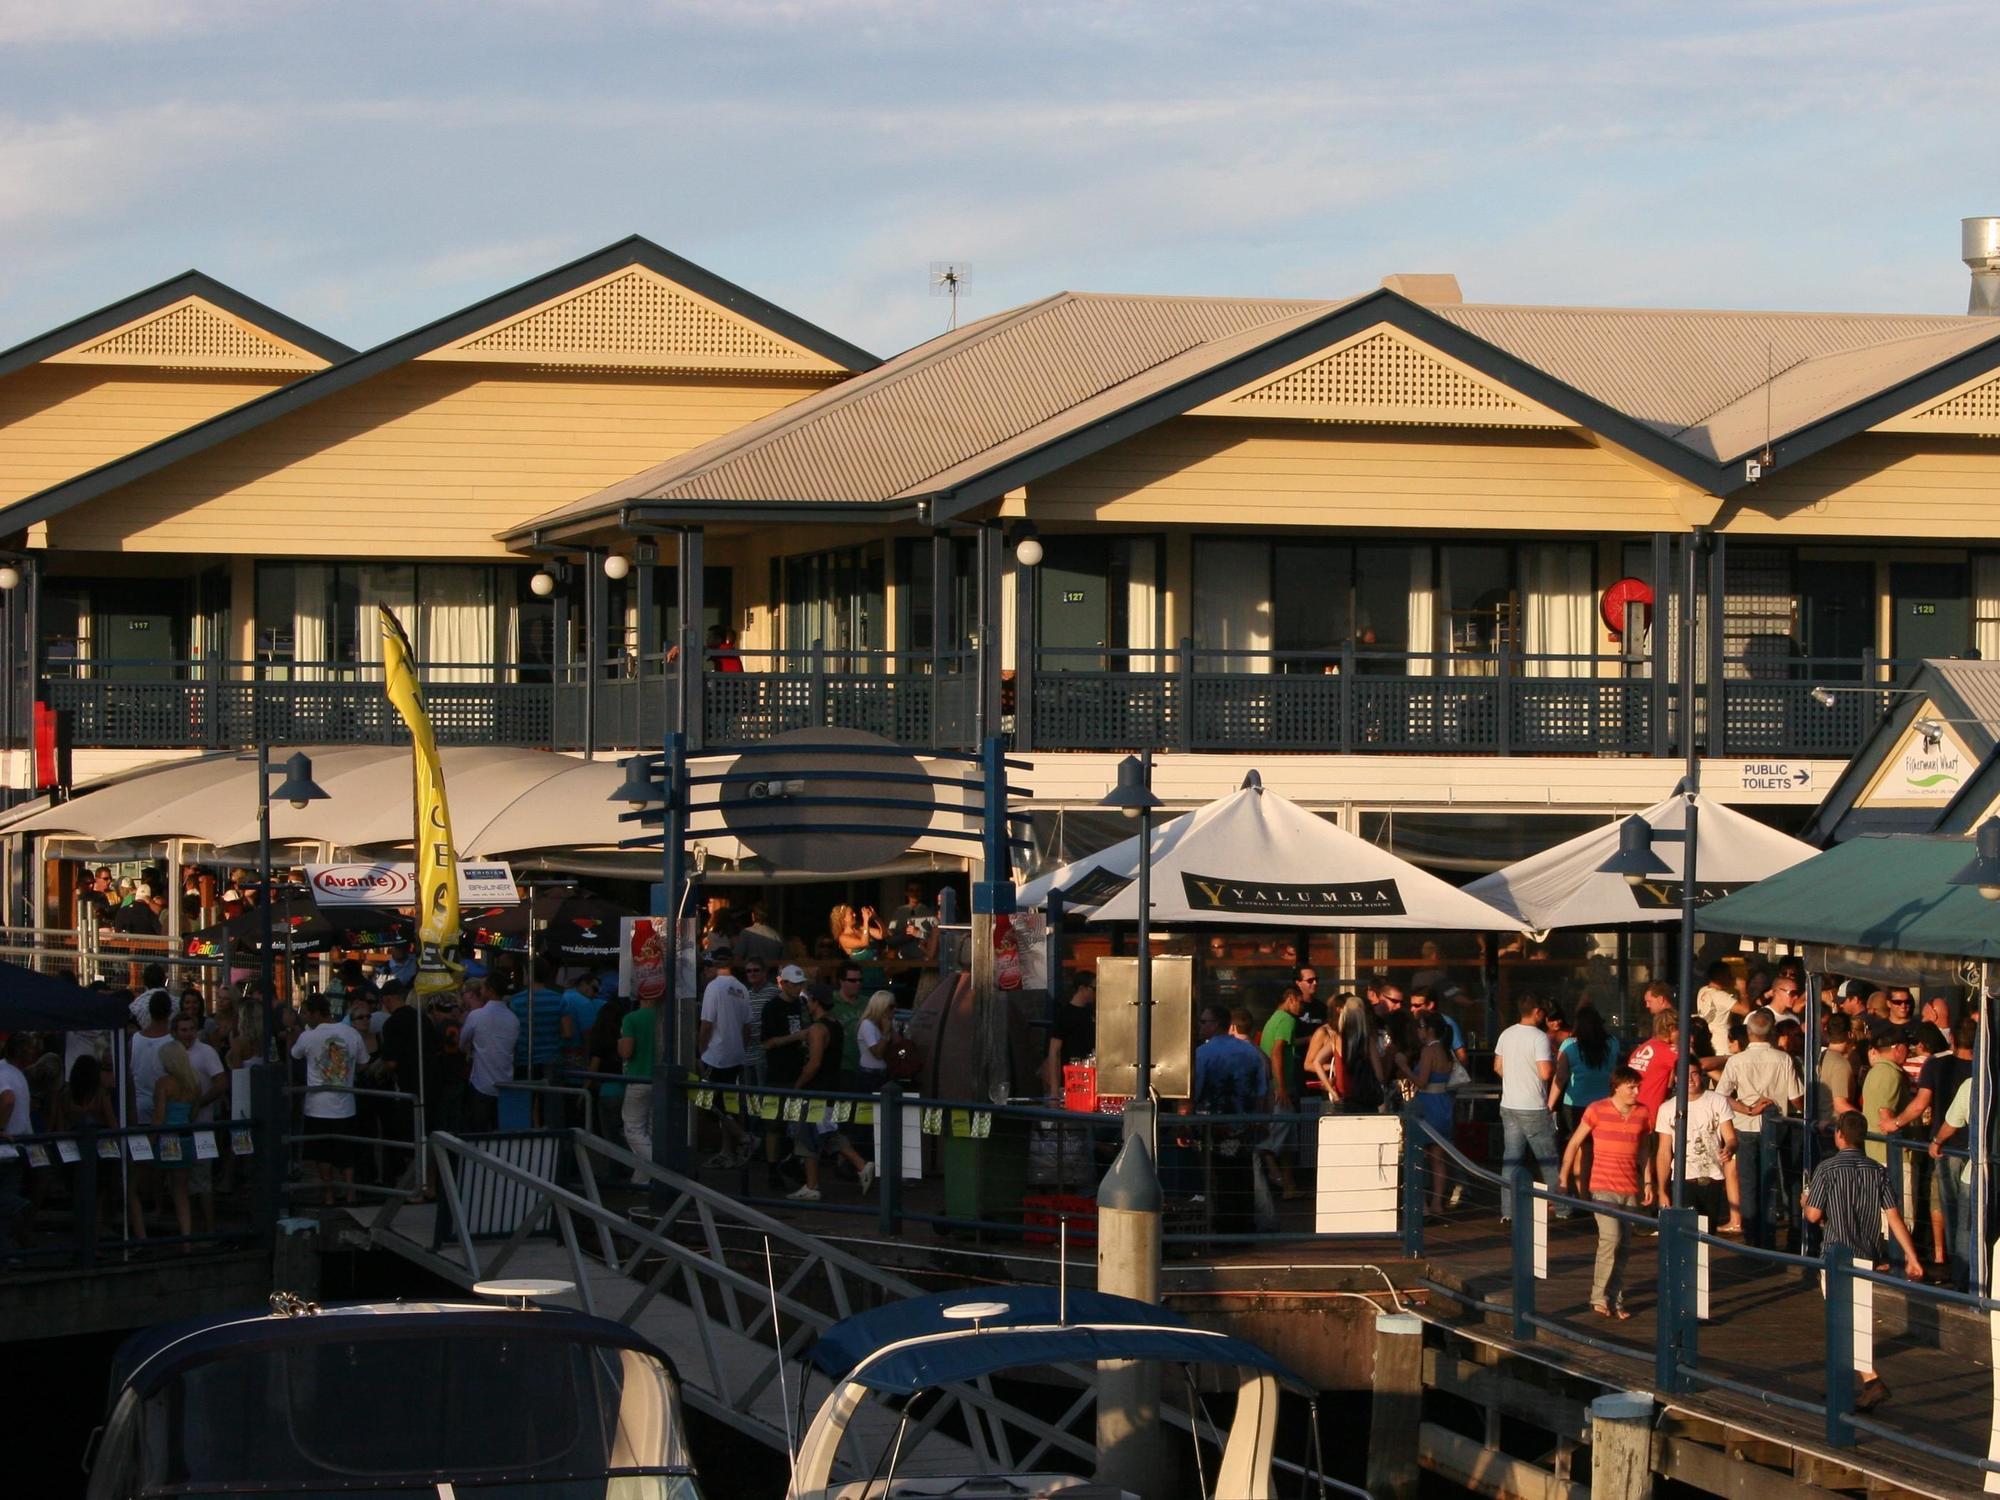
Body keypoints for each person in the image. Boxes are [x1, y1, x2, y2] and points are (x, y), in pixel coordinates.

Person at [1805, 1112, 1926, 1412]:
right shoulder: (1878, 1171)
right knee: (1854, 1319)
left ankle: (1870, 1381)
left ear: (1839, 1136)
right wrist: (1912, 1258)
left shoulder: (1827, 1169)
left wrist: (1804, 1200)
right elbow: (1894, 1217)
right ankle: (1844, 1384)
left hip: (1836, 1253)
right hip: (1866, 1256)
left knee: (1841, 1321)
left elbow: (1813, 1215)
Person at [1559, 1065, 1654, 1319]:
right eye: (1631, 1086)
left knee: (1624, 1246)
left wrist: (1648, 1182)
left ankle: (1616, 1299)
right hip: (1603, 1186)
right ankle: (1598, 1296)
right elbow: (1575, 1142)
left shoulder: (1643, 1113)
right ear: (1617, 1087)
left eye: (1637, 1086)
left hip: (1630, 1188)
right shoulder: (1597, 1109)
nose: (1637, 1090)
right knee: (1610, 1239)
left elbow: (1645, 1150)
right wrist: (1563, 1176)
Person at [1888, 1015, 1974, 1277]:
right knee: (1973, 1214)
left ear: (1951, 1038)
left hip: (1946, 1145)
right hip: (1976, 1148)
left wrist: (1896, 1122)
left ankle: (1959, 1272)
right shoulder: (1987, 1069)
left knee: (1953, 1211)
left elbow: (1920, 1103)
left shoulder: (1936, 1064)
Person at [1186, 1006, 1271, 1234]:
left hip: (1213, 1127)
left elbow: (1194, 1092)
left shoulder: (1203, 1053)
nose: (1201, 1026)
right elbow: (1262, 1091)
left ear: (1216, 1024)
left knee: (1216, 1180)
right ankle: (1244, 1228)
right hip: (1244, 1125)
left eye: (1204, 1022)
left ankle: (1222, 1229)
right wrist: (1262, 1121)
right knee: (1243, 1179)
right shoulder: (1251, 1052)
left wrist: (1184, 1124)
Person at [785, 984, 874, 1202]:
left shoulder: (818, 1029)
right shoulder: (834, 1024)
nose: (805, 1005)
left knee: (808, 1134)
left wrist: (797, 1085)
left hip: (815, 1089)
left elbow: (813, 1063)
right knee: (826, 1132)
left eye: (806, 1001)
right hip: (831, 1088)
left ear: (814, 1002)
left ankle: (814, 1184)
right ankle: (858, 1166)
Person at [290, 995, 365, 1207]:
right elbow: (363, 1063)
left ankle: (329, 1195)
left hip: (317, 1107)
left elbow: (294, 1055)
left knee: (322, 1155)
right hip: (345, 1105)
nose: (305, 1017)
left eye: (306, 1013)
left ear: (315, 1013)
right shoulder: (351, 1033)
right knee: (346, 1153)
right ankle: (350, 1193)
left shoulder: (308, 1037)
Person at [1494, 994, 1563, 1221]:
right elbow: (1545, 1072)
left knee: (1511, 1158)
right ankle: (1563, 1208)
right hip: (1532, 1105)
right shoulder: (1539, 1037)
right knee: (1548, 1159)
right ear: (1536, 1012)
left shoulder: (1507, 1033)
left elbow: (1498, 1067)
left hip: (1509, 1103)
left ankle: (1507, 1211)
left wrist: (1515, 1076)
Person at [1655, 1059, 1736, 1230]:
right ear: (1676, 1078)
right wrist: (1662, 1190)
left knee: (1708, 1232)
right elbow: (1664, 1152)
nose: (1690, 1079)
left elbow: (1731, 1138)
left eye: (1694, 1074)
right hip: (1682, 1180)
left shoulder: (1718, 1101)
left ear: (1701, 1076)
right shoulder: (1667, 1108)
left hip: (1712, 1177)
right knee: (1686, 1232)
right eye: (1685, 1075)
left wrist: (1729, 1148)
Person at [172, 1013, 227, 1234]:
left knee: (203, 1179)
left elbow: (221, 1083)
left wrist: (200, 1103)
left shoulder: (206, 1052)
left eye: (191, 1029)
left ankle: (210, 1228)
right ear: (175, 1032)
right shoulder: (170, 1053)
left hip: (202, 1125)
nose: (188, 1034)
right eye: (183, 1030)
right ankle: (190, 1230)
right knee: (181, 1180)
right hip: (177, 1125)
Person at [759, 965, 810, 1191]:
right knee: (774, 1125)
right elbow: (766, 1043)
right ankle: (772, 1169)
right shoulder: (772, 1008)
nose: (799, 988)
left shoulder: (802, 1005)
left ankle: (792, 1162)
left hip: (798, 1072)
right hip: (778, 1073)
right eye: (795, 984)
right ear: (784, 983)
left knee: (798, 1123)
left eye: (801, 984)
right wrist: (796, 1037)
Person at [1400, 1011, 1457, 1214]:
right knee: (1438, 1158)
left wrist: (1404, 1067)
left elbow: (1422, 1081)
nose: (1418, 1031)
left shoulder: (1428, 1051)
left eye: (1421, 1027)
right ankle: (1437, 1203)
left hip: (1427, 1105)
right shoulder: (1446, 1051)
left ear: (1430, 1030)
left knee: (1419, 1156)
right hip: (1443, 1104)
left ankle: (1422, 1205)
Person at [698, 971, 754, 1170]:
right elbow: (748, 1028)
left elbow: (706, 1025)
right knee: (727, 1104)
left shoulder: (713, 987)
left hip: (716, 1056)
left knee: (711, 1103)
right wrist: (741, 1049)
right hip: (735, 1056)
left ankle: (743, 1137)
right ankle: (726, 1151)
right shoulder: (742, 988)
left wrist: (700, 1052)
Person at [1258, 986, 1305, 1199]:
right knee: (1276, 1138)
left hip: (1274, 1086)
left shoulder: (1274, 1019)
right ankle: (1273, 1174)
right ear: (1291, 999)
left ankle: (1289, 1186)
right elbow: (1277, 1052)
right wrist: (1281, 1086)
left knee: (1287, 1142)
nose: (1302, 1007)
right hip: (1280, 1089)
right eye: (1300, 1002)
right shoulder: (1287, 1020)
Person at [456, 980, 519, 1134]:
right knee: (501, 1131)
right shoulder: (513, 1019)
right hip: (506, 1082)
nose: (481, 991)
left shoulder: (477, 1016)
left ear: (489, 990)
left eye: (483, 988)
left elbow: (462, 1043)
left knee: (479, 1131)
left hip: (481, 1082)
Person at [1550, 1002, 1619, 1138]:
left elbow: (1561, 1076)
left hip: (1576, 1102)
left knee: (1578, 1143)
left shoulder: (1569, 1045)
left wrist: (1550, 1104)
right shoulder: (1612, 1043)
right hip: (1605, 1101)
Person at [617, 988, 661, 1183]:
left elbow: (626, 1052)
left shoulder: (631, 1019)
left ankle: (660, 1168)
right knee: (650, 1130)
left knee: (633, 1129)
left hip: (638, 1078)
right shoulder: (665, 1019)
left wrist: (619, 1044)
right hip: (660, 1080)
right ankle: (641, 1180)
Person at [1858, 1022, 1909, 1167]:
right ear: (1898, 1048)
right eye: (1907, 1046)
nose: (1910, 1051)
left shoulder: (1876, 1071)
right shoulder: (1890, 1073)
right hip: (1893, 1158)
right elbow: (1885, 1113)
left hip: (1878, 1153)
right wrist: (1902, 1142)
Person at [1043, 974, 1097, 1099]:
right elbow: (1054, 1051)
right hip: (1072, 1078)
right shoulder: (1064, 1014)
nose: (1096, 993)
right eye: (1094, 989)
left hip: (1090, 1076)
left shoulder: (1092, 1013)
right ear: (1082, 988)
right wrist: (1054, 1091)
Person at [1627, 1010, 1680, 1117]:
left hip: (1631, 1111)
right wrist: (1723, 1059)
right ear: (1672, 1029)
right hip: (1649, 1114)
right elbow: (1699, 1064)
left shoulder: (1640, 1049)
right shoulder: (1668, 1051)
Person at [855, 989, 896, 1089]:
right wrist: (885, 1033)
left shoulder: (885, 1024)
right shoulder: (867, 1025)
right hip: (869, 1075)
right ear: (882, 1007)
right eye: (891, 1007)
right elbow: (877, 1053)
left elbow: (897, 1043)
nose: (894, 1009)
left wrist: (891, 1028)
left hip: (884, 1073)